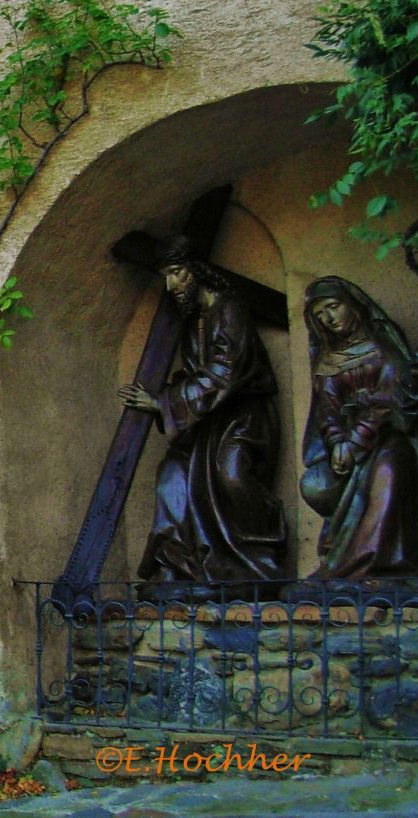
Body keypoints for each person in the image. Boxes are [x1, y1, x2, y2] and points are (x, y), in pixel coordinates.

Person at [118, 236, 287, 588]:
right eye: (166, 276)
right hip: (206, 421)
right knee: (172, 475)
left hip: (242, 417)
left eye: (176, 273)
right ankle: (179, 566)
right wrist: (162, 397)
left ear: (197, 271)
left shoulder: (230, 310)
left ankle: (256, 562)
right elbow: (194, 374)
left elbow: (226, 372)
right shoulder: (196, 320)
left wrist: (162, 403)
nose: (170, 285)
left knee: (232, 476)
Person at [299, 276, 418, 579]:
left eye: (333, 307)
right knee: (313, 484)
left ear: (352, 306)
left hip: (389, 440)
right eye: (319, 315)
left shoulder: (382, 345)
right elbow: (326, 413)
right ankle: (338, 562)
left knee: (387, 473)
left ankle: (374, 567)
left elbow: (389, 400)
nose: (328, 319)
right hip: (349, 448)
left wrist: (355, 443)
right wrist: (337, 443)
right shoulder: (328, 361)